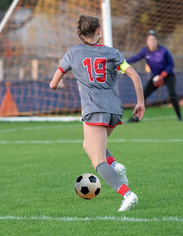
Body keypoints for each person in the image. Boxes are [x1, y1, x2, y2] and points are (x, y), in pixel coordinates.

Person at [50, 14, 145, 212]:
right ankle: (116, 166)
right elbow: (135, 76)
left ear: (80, 33)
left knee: (98, 162)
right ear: (98, 31)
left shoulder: (73, 53)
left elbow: (53, 83)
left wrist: (59, 85)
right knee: (88, 145)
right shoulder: (112, 53)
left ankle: (128, 194)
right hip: (114, 111)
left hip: (94, 110)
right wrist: (140, 102)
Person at [126, 30, 182, 122]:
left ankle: (179, 117)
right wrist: (122, 62)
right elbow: (135, 58)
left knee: (172, 94)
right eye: (149, 40)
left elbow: (171, 64)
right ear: (147, 42)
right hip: (155, 77)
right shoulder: (145, 51)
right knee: (143, 95)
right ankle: (136, 118)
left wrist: (163, 75)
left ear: (157, 41)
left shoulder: (164, 51)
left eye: (153, 39)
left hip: (168, 75)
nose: (151, 41)